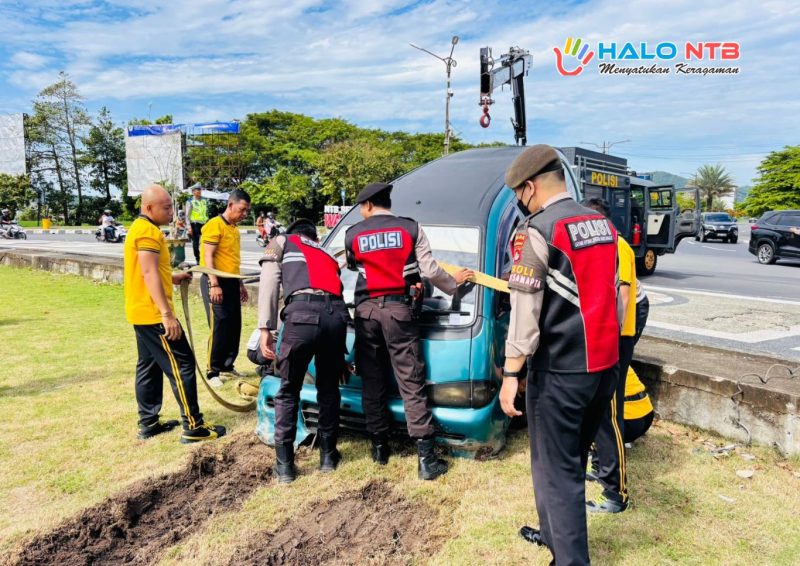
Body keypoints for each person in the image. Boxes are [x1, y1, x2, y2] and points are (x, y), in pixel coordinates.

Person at [498, 145, 619, 565]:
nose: (519, 201)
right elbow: (615, 293)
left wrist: (510, 373)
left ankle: (569, 559)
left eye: (518, 193)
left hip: (560, 371)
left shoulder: (538, 230)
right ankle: (552, 535)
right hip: (603, 365)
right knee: (568, 460)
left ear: (529, 188)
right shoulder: (602, 224)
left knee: (558, 471)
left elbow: (525, 310)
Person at [344, 182, 473, 481]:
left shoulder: (353, 234)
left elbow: (354, 267)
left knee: (371, 379)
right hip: (399, 312)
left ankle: (379, 449)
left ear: (367, 205)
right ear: (387, 202)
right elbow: (429, 270)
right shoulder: (411, 228)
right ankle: (426, 460)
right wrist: (453, 282)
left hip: (366, 312)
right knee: (411, 381)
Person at [123, 184, 225, 443]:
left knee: (148, 366)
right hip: (154, 314)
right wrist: (167, 315)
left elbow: (151, 271)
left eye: (171, 207)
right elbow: (148, 273)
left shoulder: (140, 228)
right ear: (149, 208)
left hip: (141, 311)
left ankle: (148, 422)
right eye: (166, 208)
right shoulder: (147, 232)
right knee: (183, 365)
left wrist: (173, 277)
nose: (172, 212)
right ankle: (193, 426)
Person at [258, 218, 349, 483]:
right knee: (329, 389)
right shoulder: (326, 253)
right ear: (314, 238)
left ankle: (285, 466)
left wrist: (265, 328)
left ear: (293, 233)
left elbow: (269, 281)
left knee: (288, 390)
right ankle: (328, 457)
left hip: (301, 318)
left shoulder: (282, 241)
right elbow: (337, 292)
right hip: (336, 318)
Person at [581, 197, 636, 514]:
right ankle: (600, 467)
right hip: (602, 338)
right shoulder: (602, 245)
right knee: (596, 410)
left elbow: (623, 296)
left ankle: (616, 493)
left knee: (609, 413)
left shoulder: (618, 245)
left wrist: (609, 340)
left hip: (615, 339)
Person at [199, 189, 251, 388]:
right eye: (242, 209)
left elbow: (232, 260)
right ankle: (212, 370)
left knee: (233, 325)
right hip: (215, 281)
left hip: (231, 282)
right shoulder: (215, 225)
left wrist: (240, 284)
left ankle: (227, 365)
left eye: (247, 211)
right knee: (219, 325)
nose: (244, 214)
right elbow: (208, 256)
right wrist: (214, 284)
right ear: (230, 205)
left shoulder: (234, 229)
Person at [185, 184, 209, 264]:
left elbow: (206, 212)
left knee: (206, 242)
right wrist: (189, 227)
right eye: (197, 190)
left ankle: (205, 258)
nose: (199, 192)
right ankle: (198, 259)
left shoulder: (204, 200)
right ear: (193, 192)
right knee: (195, 243)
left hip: (204, 224)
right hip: (194, 224)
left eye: (200, 190)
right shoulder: (190, 201)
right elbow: (187, 215)